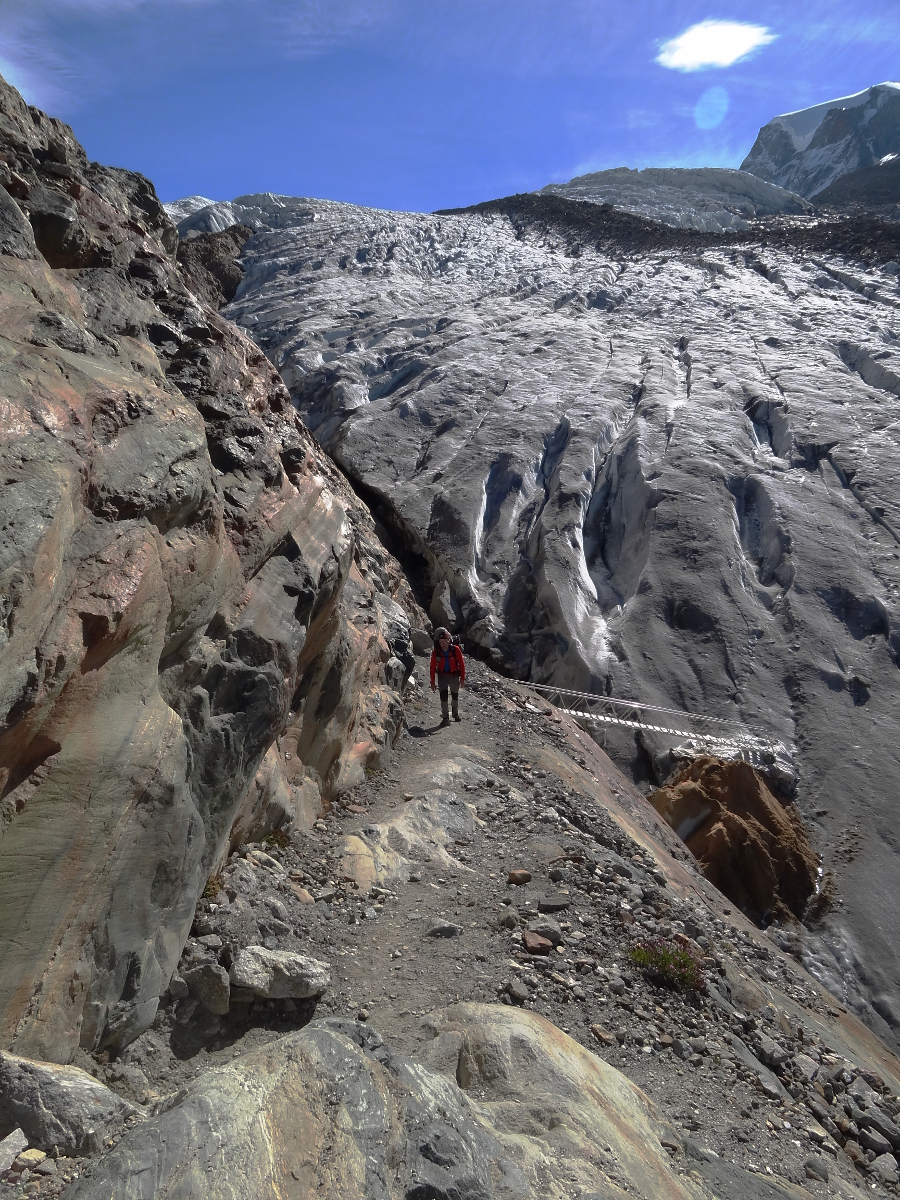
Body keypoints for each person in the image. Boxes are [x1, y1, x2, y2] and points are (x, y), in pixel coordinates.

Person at [430, 627, 465, 726]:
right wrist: (432, 682)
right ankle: (445, 717)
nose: (443, 645)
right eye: (441, 643)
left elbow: (462, 664)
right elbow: (432, 667)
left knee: (455, 695)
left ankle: (455, 713)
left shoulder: (455, 650)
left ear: (449, 641)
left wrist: (462, 678)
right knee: (443, 696)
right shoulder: (436, 652)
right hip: (442, 677)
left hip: (454, 676)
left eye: (445, 642)